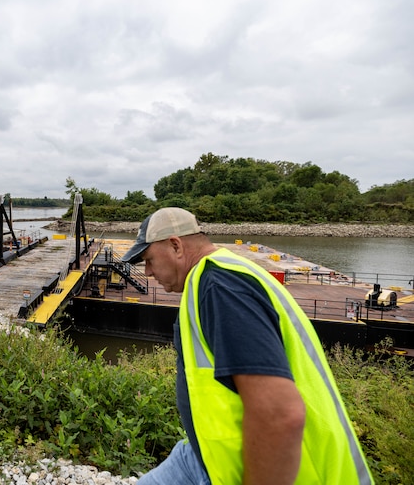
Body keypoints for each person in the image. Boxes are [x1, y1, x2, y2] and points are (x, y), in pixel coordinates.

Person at [122, 207, 373, 485]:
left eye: (148, 260)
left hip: (267, 471)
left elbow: (278, 415)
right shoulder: (219, 274)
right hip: (205, 457)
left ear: (175, 246)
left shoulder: (220, 286)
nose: (147, 271)